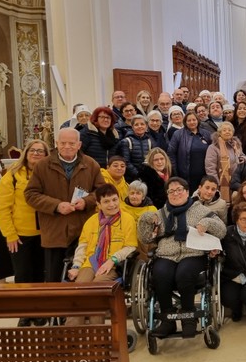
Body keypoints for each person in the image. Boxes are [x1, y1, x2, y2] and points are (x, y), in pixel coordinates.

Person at [137, 177, 227, 337]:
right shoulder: (160, 214)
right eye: (171, 191)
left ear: (187, 192)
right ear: (167, 194)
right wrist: (145, 220)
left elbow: (222, 230)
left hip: (193, 253)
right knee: (160, 273)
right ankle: (167, 320)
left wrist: (207, 223)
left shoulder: (200, 210)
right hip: (166, 254)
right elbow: (145, 238)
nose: (175, 193)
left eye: (179, 190)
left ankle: (189, 318)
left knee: (184, 273)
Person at [25, 128, 105, 282]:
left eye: (71, 143)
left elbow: (101, 191)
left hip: (82, 232)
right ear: (57, 143)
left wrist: (86, 201)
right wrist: (56, 205)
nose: (67, 146)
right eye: (63, 143)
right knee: (54, 280)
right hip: (54, 232)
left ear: (79, 145)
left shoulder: (91, 164)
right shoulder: (43, 165)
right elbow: (31, 194)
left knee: (81, 278)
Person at [65, 183, 138, 326]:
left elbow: (130, 247)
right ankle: (72, 331)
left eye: (114, 200)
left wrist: (112, 260)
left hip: (113, 265)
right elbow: (82, 246)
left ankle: (96, 331)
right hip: (90, 263)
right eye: (106, 201)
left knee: (96, 288)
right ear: (98, 204)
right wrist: (76, 266)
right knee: (78, 289)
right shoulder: (91, 221)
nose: (112, 204)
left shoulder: (127, 219)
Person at [0, 140, 49, 326]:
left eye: (40, 151)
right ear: (26, 152)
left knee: (40, 275)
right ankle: (24, 312)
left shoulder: (49, 173)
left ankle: (39, 310)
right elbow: (2, 208)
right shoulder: (13, 175)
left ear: (46, 155)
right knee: (23, 275)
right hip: (20, 235)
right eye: (33, 150)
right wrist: (10, 234)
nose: (36, 154)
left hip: (45, 233)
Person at [168, 111, 212, 190]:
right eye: (189, 120)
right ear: (185, 122)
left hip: (204, 174)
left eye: (194, 120)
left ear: (198, 120)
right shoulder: (178, 134)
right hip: (186, 175)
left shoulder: (206, 134)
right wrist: (175, 172)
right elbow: (171, 153)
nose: (192, 122)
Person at [205, 121, 246, 202]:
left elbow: (243, 156)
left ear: (233, 132)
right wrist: (217, 184)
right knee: (224, 204)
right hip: (221, 183)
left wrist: (243, 159)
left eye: (229, 130)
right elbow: (210, 168)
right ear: (219, 133)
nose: (227, 132)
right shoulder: (213, 148)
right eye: (224, 130)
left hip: (237, 181)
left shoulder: (236, 145)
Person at [119, 114, 155, 182]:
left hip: (147, 177)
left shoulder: (150, 141)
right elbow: (126, 161)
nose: (139, 126)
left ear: (146, 126)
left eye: (142, 124)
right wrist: (138, 174)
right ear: (132, 127)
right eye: (136, 124)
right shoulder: (126, 141)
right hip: (131, 179)